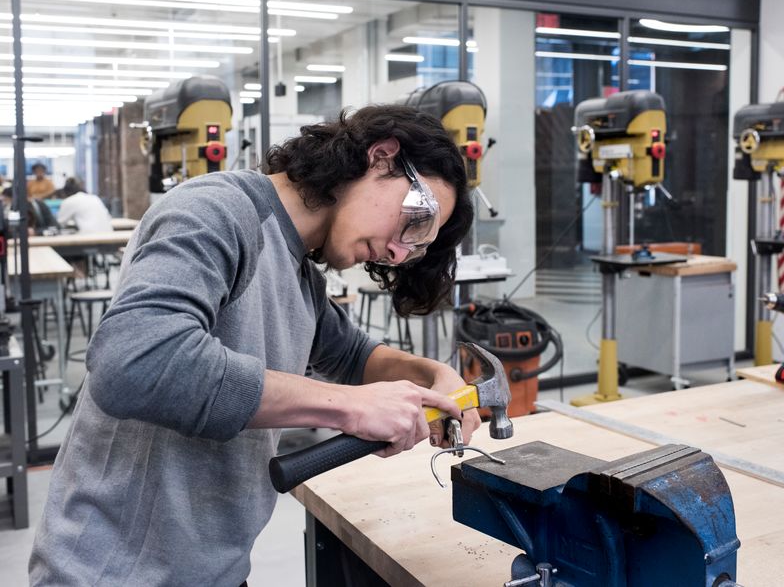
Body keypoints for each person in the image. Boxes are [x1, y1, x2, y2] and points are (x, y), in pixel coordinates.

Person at [30, 105, 480, 585]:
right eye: (417, 221)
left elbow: (355, 356)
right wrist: (348, 406)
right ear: (382, 158)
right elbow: (135, 362)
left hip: (213, 569)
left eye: (419, 245)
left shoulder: (300, 273)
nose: (399, 252)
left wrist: (435, 378)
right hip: (114, 571)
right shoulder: (218, 211)